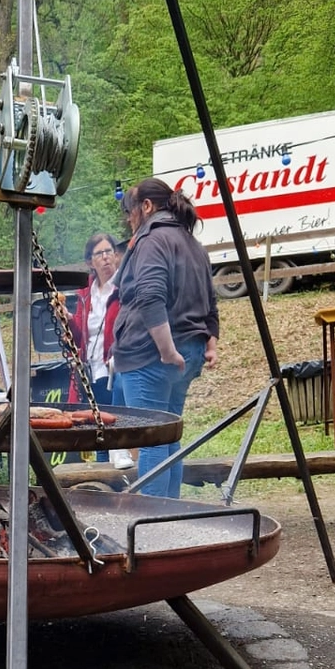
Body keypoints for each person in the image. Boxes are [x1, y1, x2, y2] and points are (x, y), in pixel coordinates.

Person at [110, 177, 219, 498]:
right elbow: (209, 300)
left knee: (153, 438)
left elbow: (149, 295)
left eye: (130, 211)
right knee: (170, 437)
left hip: (150, 356)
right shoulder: (193, 245)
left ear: (146, 206)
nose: (129, 219)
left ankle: (152, 525)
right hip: (186, 354)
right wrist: (209, 342)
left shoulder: (152, 241)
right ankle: (168, 518)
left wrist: (166, 348)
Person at [69, 231, 121, 405]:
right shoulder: (85, 293)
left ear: (116, 255)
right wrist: (67, 318)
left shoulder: (124, 287)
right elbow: (78, 337)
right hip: (90, 371)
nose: (106, 257)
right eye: (99, 253)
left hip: (114, 371)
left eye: (109, 251)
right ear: (90, 262)